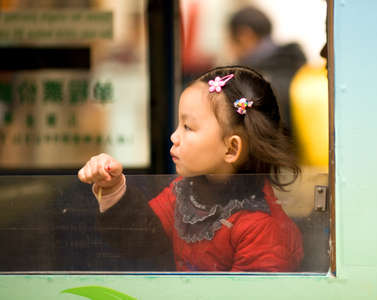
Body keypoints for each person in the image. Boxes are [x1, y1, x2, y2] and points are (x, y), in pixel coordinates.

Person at [78, 66, 303, 272]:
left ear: (232, 147)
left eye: (188, 127)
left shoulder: (261, 227)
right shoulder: (185, 195)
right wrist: (113, 188)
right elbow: (140, 241)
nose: (174, 136)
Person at [227, 6, 306, 132]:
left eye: (229, 41)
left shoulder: (254, 83)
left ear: (245, 35)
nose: (229, 48)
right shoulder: (298, 67)